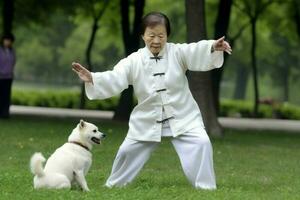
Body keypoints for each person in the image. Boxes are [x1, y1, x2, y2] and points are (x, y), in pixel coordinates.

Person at [72, 12, 232, 190]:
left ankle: (206, 188)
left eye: (161, 35)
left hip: (182, 116)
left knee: (201, 142)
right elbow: (116, 77)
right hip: (147, 119)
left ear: (167, 35)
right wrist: (93, 78)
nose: (156, 40)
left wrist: (212, 47)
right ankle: (114, 185)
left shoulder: (177, 52)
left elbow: (195, 50)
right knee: (127, 151)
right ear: (143, 36)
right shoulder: (134, 60)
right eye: (151, 35)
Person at [0, 33, 16, 119]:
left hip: (8, 77)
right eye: (6, 40)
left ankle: (5, 113)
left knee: (6, 96)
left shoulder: (12, 52)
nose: (7, 42)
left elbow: (13, 62)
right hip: (0, 77)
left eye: (9, 40)